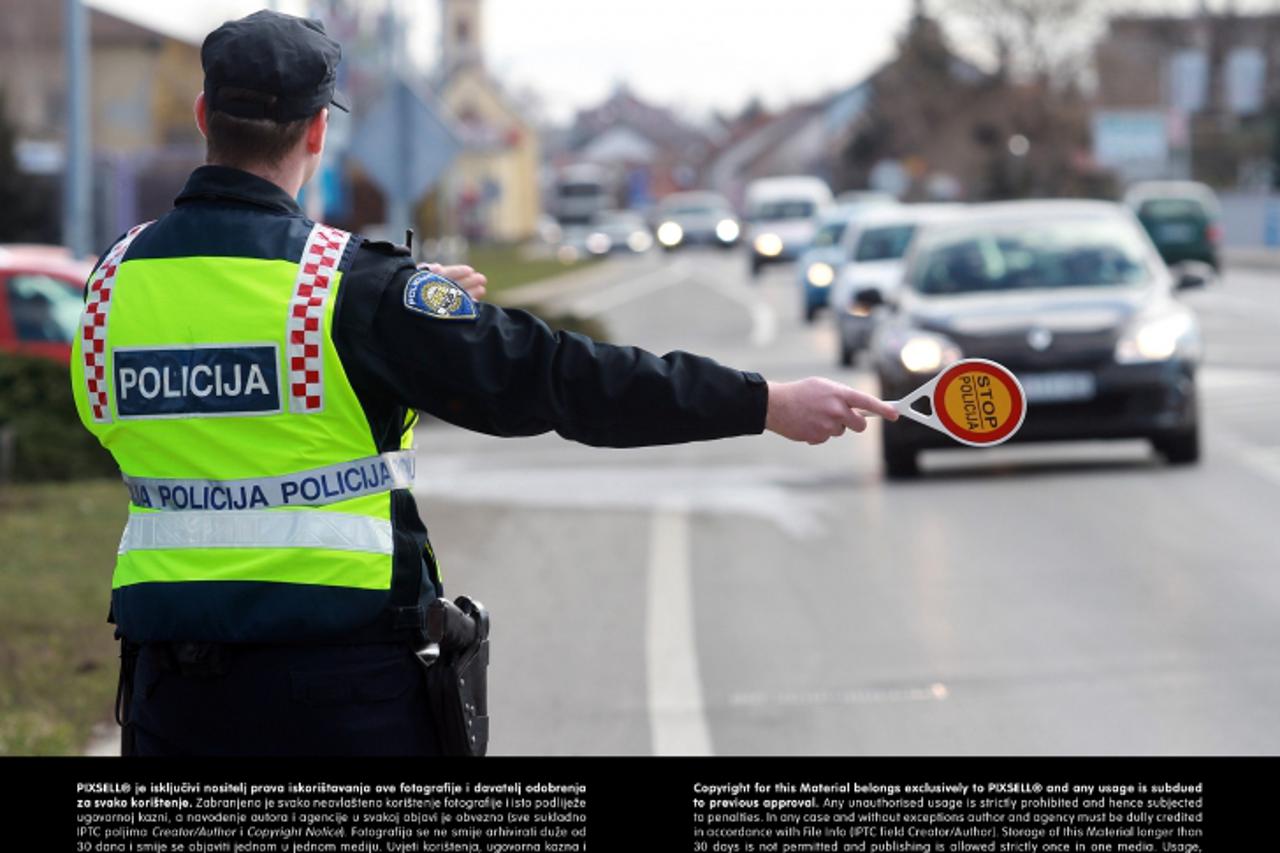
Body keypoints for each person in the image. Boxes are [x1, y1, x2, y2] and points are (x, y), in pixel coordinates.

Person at [70, 9, 898, 757]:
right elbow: (558, 379)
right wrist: (764, 401)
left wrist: (396, 312)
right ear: (317, 131)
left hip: (170, 702)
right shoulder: (349, 289)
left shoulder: (111, 284)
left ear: (204, 116)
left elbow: (156, 413)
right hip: (341, 696)